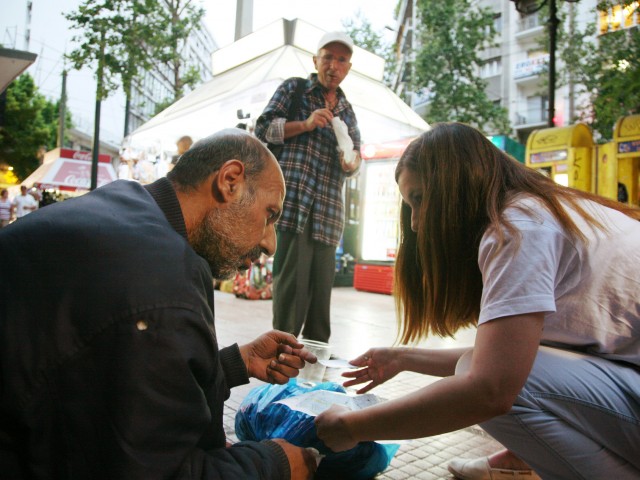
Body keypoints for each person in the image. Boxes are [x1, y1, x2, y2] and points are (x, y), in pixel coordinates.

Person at [314, 122, 640, 480]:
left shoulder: (518, 229)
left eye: (420, 199)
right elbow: (511, 358)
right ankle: (517, 461)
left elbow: (492, 387)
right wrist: (402, 358)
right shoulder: (538, 211)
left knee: (481, 378)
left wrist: (352, 427)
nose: (417, 224)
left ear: (455, 184)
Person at [0, 129, 319, 479]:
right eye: (270, 215)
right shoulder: (162, 280)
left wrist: (234, 363)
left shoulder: (127, 205)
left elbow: (116, 381)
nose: (271, 244)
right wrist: (275, 464)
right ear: (230, 181)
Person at [254, 31, 362, 343]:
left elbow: (357, 157)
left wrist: (350, 163)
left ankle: (313, 371)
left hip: (328, 215)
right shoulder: (296, 89)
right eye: (327, 57)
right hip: (294, 207)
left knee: (320, 307)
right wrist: (305, 123)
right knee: (290, 295)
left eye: (341, 60)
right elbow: (263, 128)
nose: (333, 65)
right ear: (316, 60)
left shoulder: (347, 110)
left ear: (348, 67)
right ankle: (281, 363)